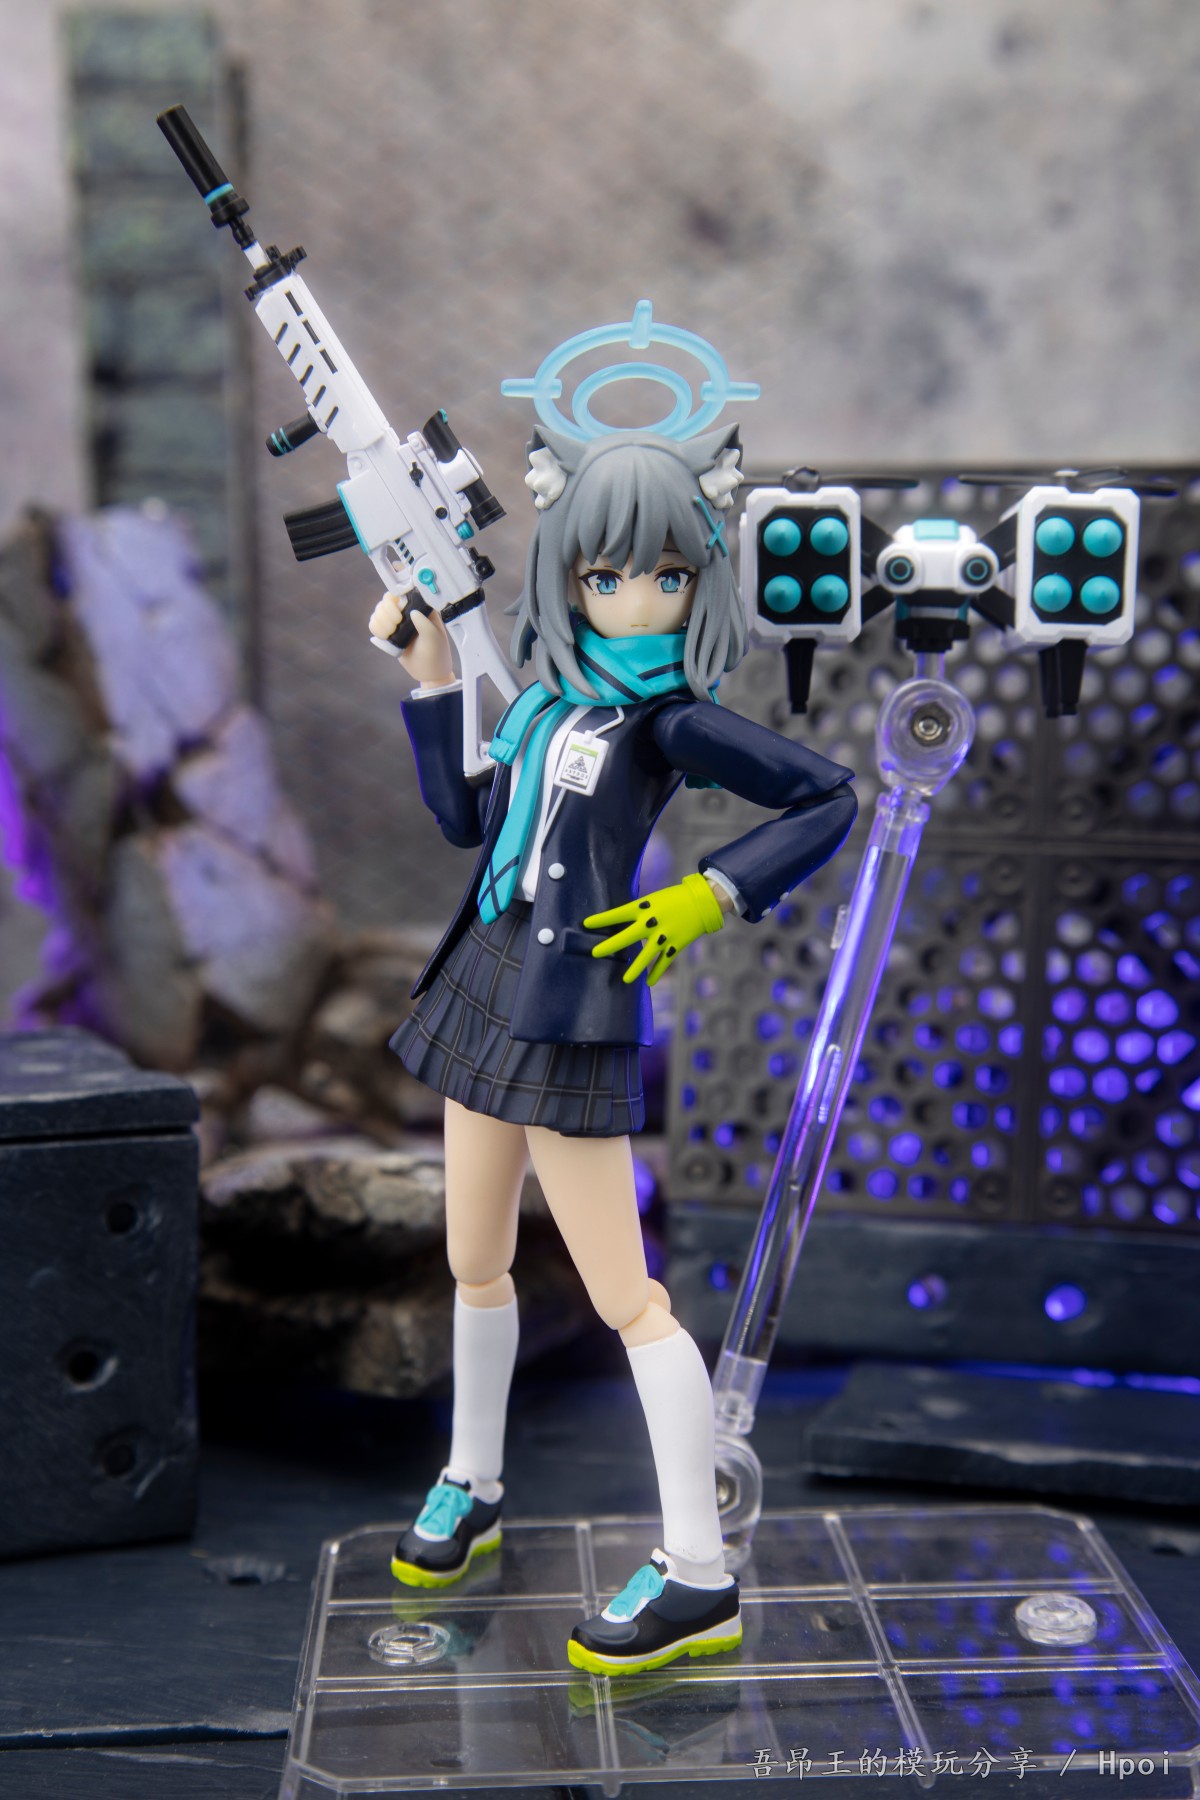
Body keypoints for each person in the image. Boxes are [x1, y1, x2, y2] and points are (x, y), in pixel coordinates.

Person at [371, 421, 856, 1676]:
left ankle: (699, 1571)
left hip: (572, 1006)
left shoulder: (669, 721)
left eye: (667, 574)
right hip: (482, 982)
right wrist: (433, 677)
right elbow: (466, 821)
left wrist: (708, 896)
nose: (637, 598)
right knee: (474, 1259)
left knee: (626, 1300)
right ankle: (473, 1481)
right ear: (568, 577)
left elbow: (827, 796)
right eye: (606, 574)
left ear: (698, 582)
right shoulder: (542, 700)